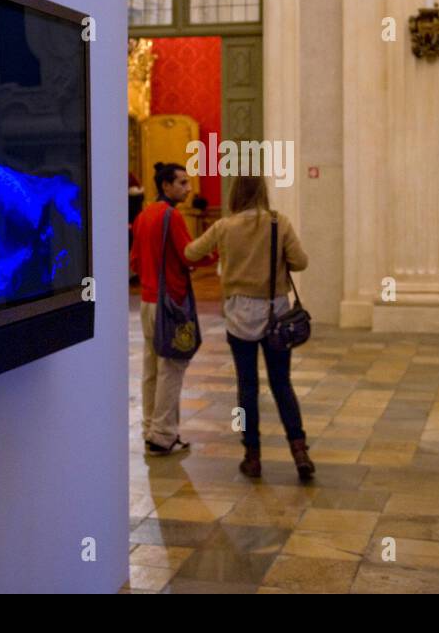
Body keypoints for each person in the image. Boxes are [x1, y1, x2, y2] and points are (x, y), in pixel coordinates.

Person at [185, 175, 314, 480]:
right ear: (262, 193)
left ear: (235, 196)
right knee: (282, 384)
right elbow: (301, 262)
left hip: (238, 315)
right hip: (275, 315)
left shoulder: (224, 226)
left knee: (247, 388)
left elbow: (192, 252)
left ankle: (252, 456)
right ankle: (299, 451)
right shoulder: (277, 222)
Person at [129, 162, 216, 456]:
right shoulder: (172, 216)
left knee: (151, 367)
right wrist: (216, 253)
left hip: (148, 301)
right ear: (165, 186)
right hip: (172, 302)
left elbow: (134, 262)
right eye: (182, 183)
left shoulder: (143, 215)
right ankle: (163, 436)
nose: (188, 188)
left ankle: (150, 427)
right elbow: (189, 254)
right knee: (172, 366)